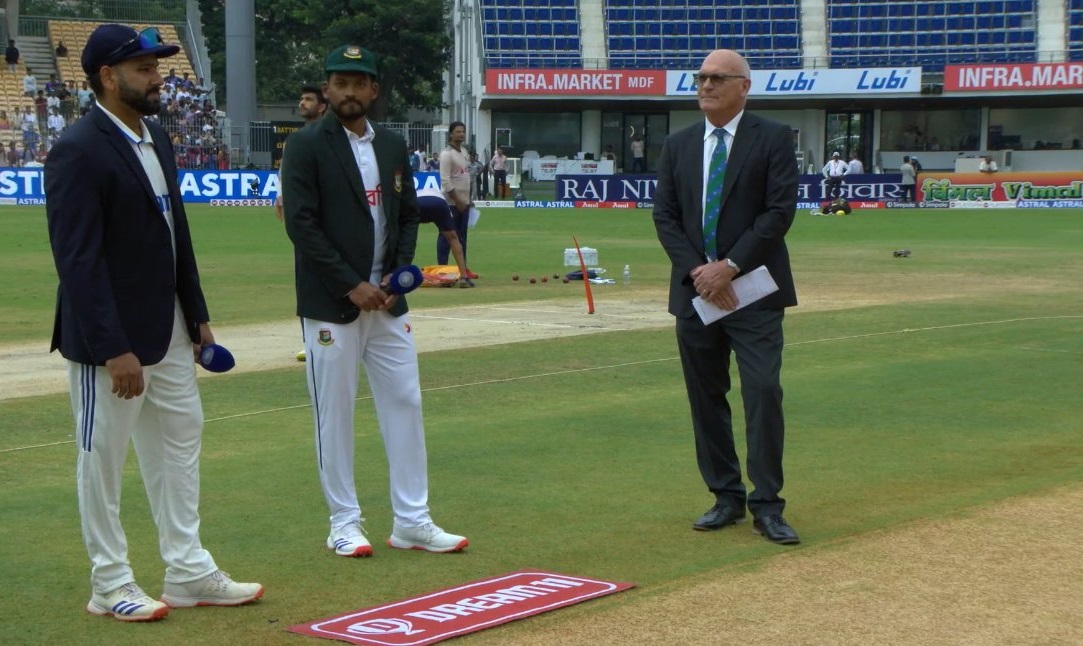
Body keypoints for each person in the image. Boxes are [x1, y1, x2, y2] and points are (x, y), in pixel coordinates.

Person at [43, 23, 263, 622]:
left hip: (169, 329)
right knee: (103, 457)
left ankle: (188, 570)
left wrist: (197, 316)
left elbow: (176, 238)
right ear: (107, 78)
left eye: (157, 66)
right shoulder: (77, 149)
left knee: (179, 443)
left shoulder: (156, 136)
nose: (157, 76)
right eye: (143, 68)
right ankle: (110, 583)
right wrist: (113, 348)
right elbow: (78, 261)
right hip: (109, 344)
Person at [281, 44, 468, 558]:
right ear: (327, 88)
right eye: (338, 82)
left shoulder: (389, 145)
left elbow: (408, 215)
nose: (347, 91)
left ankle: (412, 520)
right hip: (332, 303)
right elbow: (302, 225)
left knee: (405, 402)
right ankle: (344, 522)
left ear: (372, 90)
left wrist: (396, 276)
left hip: (387, 301)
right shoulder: (305, 146)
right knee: (334, 413)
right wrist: (350, 283)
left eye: (357, 83)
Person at [652, 49, 801, 546]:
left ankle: (768, 504)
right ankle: (726, 496)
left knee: (762, 392)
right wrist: (701, 272)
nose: (706, 85)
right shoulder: (678, 145)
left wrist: (729, 267)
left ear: (744, 86)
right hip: (697, 294)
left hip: (753, 294)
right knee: (705, 397)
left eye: (718, 78)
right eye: (701, 78)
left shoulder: (774, 139)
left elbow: (778, 213)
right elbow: (666, 217)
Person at [275, 83, 328, 363]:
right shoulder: (297, 140)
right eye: (301, 99)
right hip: (304, 220)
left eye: (308, 99)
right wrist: (281, 195)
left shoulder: (331, 138)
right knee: (306, 279)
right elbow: (288, 174)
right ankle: (310, 342)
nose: (302, 103)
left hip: (327, 219)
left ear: (322, 106)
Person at [436, 121, 476, 278]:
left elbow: (464, 178)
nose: (461, 134)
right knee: (447, 236)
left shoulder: (464, 152)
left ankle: (463, 269)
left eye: (463, 131)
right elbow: (445, 181)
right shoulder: (447, 154)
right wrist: (457, 201)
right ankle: (442, 270)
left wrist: (467, 200)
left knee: (462, 236)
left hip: (463, 203)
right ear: (451, 134)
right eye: (458, 132)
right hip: (450, 204)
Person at [418, 186, 473, 287]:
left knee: (407, 239)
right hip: (439, 204)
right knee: (453, 238)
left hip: (418, 203)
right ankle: (464, 277)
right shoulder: (439, 196)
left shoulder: (417, 194)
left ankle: (400, 273)